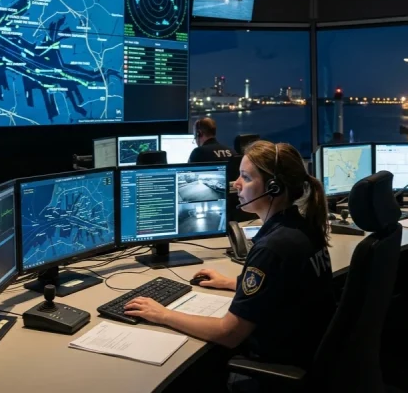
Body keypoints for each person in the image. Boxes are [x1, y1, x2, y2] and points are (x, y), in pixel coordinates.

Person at [125, 141, 335, 369]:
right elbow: (285, 286)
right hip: (305, 351)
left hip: (275, 364)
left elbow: (229, 333)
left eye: (245, 177)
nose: (236, 184)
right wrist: (232, 282)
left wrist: (162, 314)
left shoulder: (273, 248)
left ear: (274, 187)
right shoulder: (303, 227)